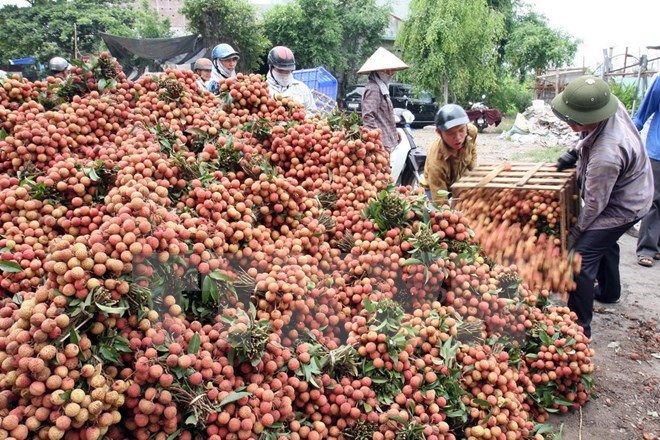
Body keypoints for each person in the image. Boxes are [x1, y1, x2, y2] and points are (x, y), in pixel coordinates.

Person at [551, 75, 653, 338]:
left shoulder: (606, 155)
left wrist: (573, 238)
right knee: (603, 241)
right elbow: (591, 132)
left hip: (625, 204)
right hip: (635, 186)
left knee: (580, 259)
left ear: (590, 117)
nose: (569, 123)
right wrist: (575, 151)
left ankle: (579, 331)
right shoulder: (608, 103)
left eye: (573, 121)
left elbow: (595, 207)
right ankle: (609, 292)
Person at [423, 104, 478, 206]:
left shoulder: (471, 131)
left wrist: (474, 173)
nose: (458, 137)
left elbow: (473, 148)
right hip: (433, 187)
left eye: (461, 130)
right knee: (435, 214)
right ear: (439, 132)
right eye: (450, 133)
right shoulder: (436, 162)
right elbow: (440, 204)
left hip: (457, 180)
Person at [632, 72, 660, 267]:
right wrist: (630, 135)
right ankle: (647, 248)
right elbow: (644, 111)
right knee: (654, 200)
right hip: (658, 151)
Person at [357, 47, 409, 151]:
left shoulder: (382, 87)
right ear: (381, 71)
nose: (392, 73)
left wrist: (393, 132)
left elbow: (382, 117)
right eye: (389, 70)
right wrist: (375, 142)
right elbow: (368, 117)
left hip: (385, 141)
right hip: (380, 144)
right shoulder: (374, 88)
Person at [265, 46, 316, 114]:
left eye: (287, 70)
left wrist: (303, 117)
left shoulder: (302, 88)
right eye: (280, 70)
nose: (284, 73)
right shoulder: (264, 90)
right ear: (271, 67)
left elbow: (313, 112)